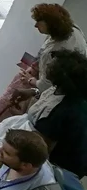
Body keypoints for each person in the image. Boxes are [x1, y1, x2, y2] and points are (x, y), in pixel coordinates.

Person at [31, 49, 87, 179]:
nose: (47, 65)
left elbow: (38, 150)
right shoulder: (69, 91)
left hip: (60, 168)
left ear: (61, 74)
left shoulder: (61, 111)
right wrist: (32, 92)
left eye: (51, 64)